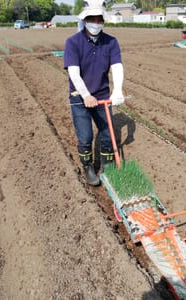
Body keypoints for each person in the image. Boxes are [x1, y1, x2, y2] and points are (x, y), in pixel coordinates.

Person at [64, 0, 125, 186]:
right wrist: (86, 96)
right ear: (85, 19)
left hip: (102, 95)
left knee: (107, 134)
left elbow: (117, 67)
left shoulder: (111, 42)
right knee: (86, 136)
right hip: (79, 97)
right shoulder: (73, 42)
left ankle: (107, 166)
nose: (96, 23)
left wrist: (118, 90)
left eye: (100, 19)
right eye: (92, 19)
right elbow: (74, 73)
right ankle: (88, 167)